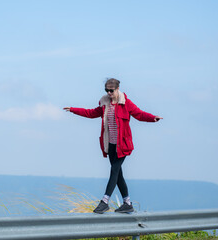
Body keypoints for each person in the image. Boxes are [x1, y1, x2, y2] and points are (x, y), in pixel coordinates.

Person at [63, 78, 162, 214]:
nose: (109, 93)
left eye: (111, 90)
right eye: (106, 90)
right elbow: (91, 113)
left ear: (117, 88)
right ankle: (127, 204)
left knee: (114, 171)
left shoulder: (126, 103)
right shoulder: (105, 104)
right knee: (118, 175)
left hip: (123, 146)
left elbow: (139, 114)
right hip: (110, 145)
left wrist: (152, 118)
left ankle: (104, 201)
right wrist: (73, 109)